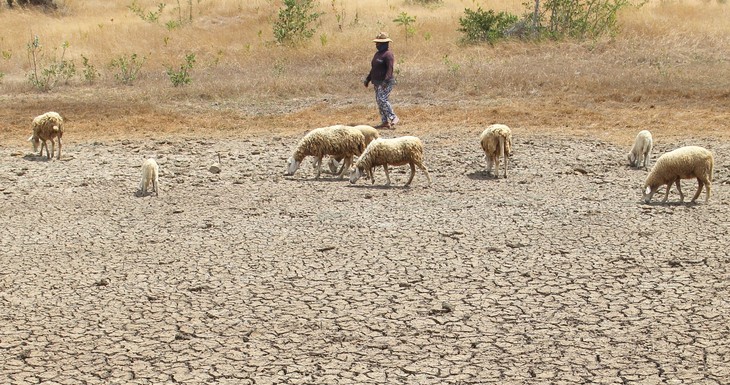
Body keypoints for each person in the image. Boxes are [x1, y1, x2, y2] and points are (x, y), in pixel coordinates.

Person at [364, 32, 399, 130]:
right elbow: (373, 68)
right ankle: (384, 122)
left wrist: (386, 81)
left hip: (386, 82)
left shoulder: (388, 55)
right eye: (376, 43)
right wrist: (368, 79)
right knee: (379, 101)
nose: (376, 45)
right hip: (377, 82)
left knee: (382, 99)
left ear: (385, 44)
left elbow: (390, 69)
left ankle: (393, 117)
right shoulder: (377, 54)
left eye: (379, 43)